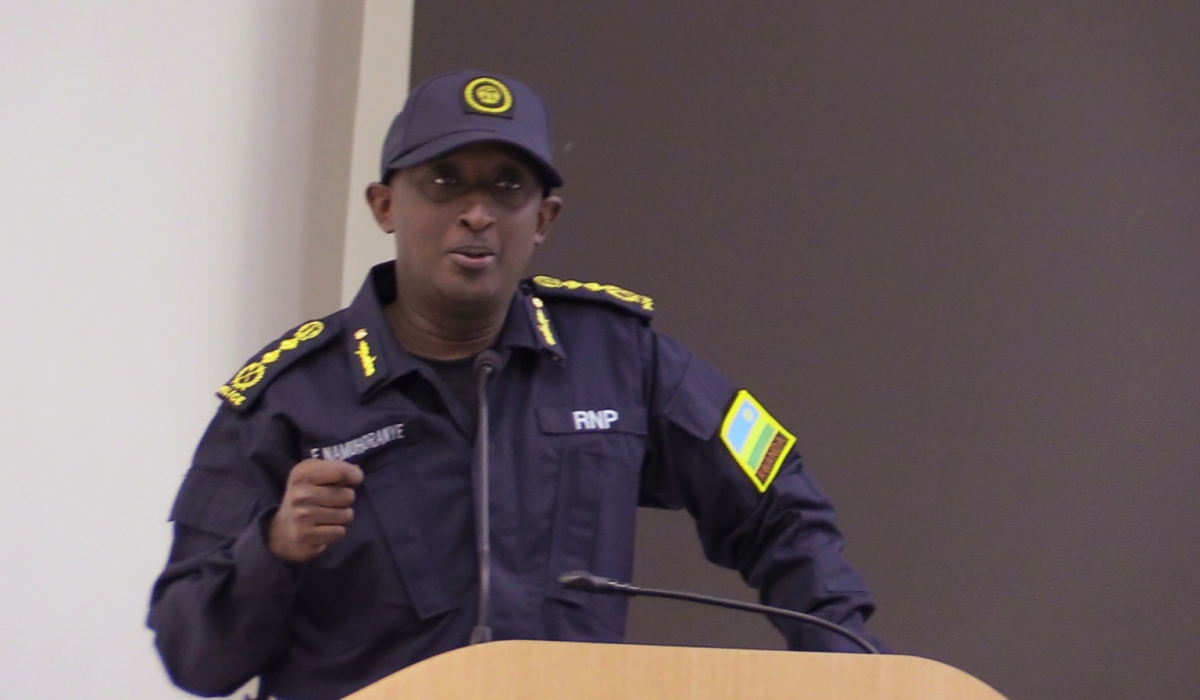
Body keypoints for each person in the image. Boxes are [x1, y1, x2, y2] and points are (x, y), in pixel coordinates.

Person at [148, 69, 886, 700]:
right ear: (384, 205)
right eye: (445, 182)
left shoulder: (619, 357)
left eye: (508, 187)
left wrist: (848, 667)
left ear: (544, 219)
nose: (477, 213)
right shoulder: (291, 396)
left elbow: (779, 505)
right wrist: (273, 549)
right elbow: (193, 655)